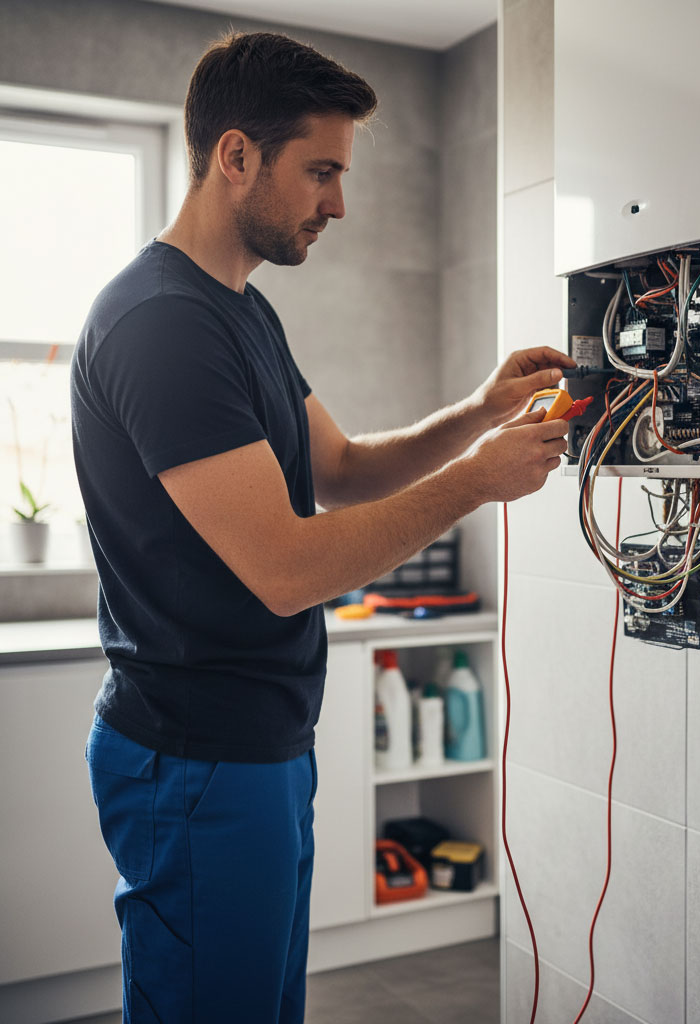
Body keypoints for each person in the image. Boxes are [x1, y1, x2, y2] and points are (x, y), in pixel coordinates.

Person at [71, 30, 572, 1023]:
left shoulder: (238, 310)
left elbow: (339, 469)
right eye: (322, 172)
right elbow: (286, 570)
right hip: (195, 755)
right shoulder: (160, 323)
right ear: (235, 156)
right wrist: (474, 482)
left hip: (256, 746)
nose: (338, 203)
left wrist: (476, 411)